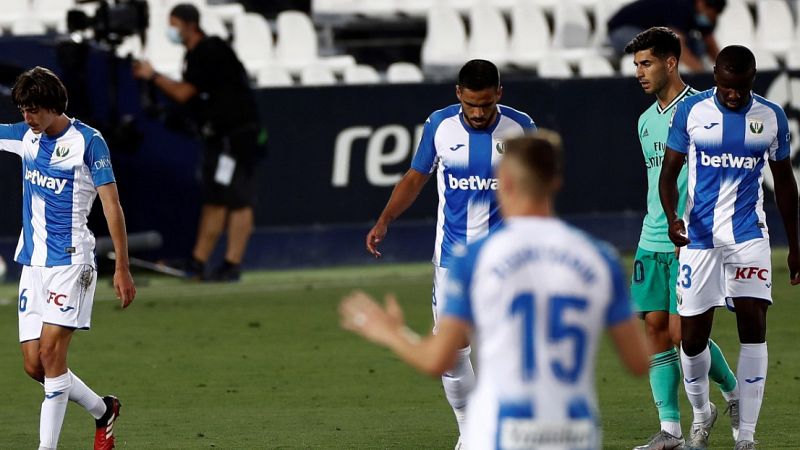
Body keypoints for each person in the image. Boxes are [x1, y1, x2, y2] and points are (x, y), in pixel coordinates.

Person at [344, 131, 650, 450]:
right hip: (575, 434)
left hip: (502, 433)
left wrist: (391, 333)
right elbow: (638, 363)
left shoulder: (475, 260)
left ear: (503, 183)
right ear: (556, 181)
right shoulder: (600, 258)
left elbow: (438, 360)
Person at [365, 59, 535, 449]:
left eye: (486, 105)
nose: (478, 113)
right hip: (452, 261)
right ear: (458, 94)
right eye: (471, 104)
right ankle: (471, 432)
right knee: (452, 353)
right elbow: (415, 177)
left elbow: (536, 192)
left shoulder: (521, 127)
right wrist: (384, 220)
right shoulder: (440, 125)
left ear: (499, 95)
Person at [660, 45, 800, 450]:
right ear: (716, 77)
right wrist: (673, 217)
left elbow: (785, 183)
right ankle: (702, 415)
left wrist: (795, 244)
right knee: (691, 340)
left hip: (748, 237)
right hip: (698, 239)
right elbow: (669, 175)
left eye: (740, 87)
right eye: (726, 86)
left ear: (752, 79)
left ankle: (748, 438)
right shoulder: (692, 112)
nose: (733, 94)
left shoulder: (771, 116)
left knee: (753, 328)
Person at [0, 67, 136, 449]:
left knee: (50, 353)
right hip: (33, 264)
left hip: (72, 262)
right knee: (34, 365)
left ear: (54, 106)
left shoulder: (89, 142)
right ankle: (103, 410)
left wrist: (122, 266)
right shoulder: (26, 137)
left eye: (33, 110)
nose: (27, 117)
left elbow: (112, 206)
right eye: (23, 109)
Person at [624, 27, 739, 450]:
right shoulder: (644, 121)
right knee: (655, 330)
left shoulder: (702, 109)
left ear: (671, 62)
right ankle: (670, 430)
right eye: (636, 65)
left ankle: (731, 395)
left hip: (692, 241)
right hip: (650, 238)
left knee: (682, 334)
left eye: (646, 63)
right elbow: (658, 179)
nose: (639, 72)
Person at [132, 3, 262, 282]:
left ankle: (231, 264)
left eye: (174, 24)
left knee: (239, 200)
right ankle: (199, 261)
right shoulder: (198, 55)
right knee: (216, 198)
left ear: (189, 25)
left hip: (235, 137)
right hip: (221, 136)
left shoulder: (209, 51)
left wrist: (152, 76)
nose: (171, 31)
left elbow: (183, 93)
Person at [608, 0, 726, 73]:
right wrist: (701, 74)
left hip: (655, 34)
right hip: (622, 31)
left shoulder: (702, 15)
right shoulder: (680, 5)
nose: (711, 17)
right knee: (658, 47)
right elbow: (677, 44)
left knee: (699, 45)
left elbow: (709, 42)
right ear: (701, 2)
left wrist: (724, 70)